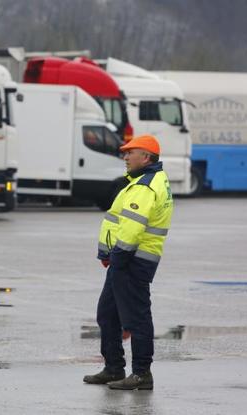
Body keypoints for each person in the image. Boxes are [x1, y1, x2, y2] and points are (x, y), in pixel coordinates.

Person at [84, 135, 173, 390]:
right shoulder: (144, 181)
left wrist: (117, 258)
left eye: (129, 153)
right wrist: (109, 255)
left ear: (145, 157)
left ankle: (142, 374)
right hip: (125, 260)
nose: (124, 157)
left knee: (136, 319)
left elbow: (132, 229)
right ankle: (113, 368)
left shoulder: (145, 186)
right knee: (107, 315)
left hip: (132, 261)